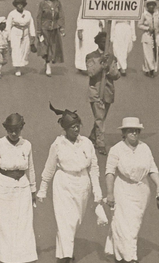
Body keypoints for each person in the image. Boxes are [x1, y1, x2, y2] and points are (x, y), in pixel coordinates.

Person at [39, 105, 102, 263]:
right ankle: (67, 257)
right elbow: (49, 167)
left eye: (77, 126)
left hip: (82, 184)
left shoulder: (86, 143)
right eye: (72, 127)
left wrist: (97, 190)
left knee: (75, 221)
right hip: (63, 184)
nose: (76, 129)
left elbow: (94, 167)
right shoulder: (58, 145)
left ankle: (63, 253)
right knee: (66, 221)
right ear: (65, 129)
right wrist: (42, 189)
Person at [104, 117, 159, 263]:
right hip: (123, 188)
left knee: (134, 223)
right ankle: (130, 257)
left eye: (136, 131)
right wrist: (110, 193)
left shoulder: (145, 148)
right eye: (130, 131)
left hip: (142, 190)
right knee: (126, 223)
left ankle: (117, 249)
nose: (134, 133)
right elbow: (110, 172)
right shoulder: (116, 149)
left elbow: (152, 169)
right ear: (124, 133)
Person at [0, 113, 37, 263]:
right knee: (5, 223)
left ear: (22, 128)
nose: (14, 133)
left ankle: (22, 257)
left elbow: (31, 168)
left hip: (22, 186)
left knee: (23, 222)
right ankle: (6, 257)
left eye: (17, 129)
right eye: (10, 130)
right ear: (6, 129)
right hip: (4, 186)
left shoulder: (27, 145)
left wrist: (33, 189)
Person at [87, 31, 120, 155]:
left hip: (108, 92)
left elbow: (117, 75)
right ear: (97, 42)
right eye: (102, 42)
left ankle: (93, 135)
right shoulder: (91, 56)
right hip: (95, 92)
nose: (104, 44)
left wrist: (109, 67)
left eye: (106, 42)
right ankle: (100, 143)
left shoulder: (112, 57)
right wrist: (101, 64)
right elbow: (91, 72)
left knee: (101, 117)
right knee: (100, 118)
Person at [37, 0, 64, 77]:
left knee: (54, 46)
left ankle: (48, 62)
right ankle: (48, 64)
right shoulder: (43, 3)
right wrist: (38, 30)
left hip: (54, 27)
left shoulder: (57, 3)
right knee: (45, 47)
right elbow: (39, 17)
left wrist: (61, 27)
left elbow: (61, 15)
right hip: (45, 28)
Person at [139, 0, 159, 77]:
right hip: (147, 36)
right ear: (147, 6)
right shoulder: (144, 14)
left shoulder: (158, 14)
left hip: (156, 36)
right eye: (149, 5)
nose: (151, 6)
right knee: (147, 54)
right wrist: (147, 28)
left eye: (152, 5)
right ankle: (149, 69)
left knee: (155, 53)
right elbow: (139, 25)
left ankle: (152, 68)